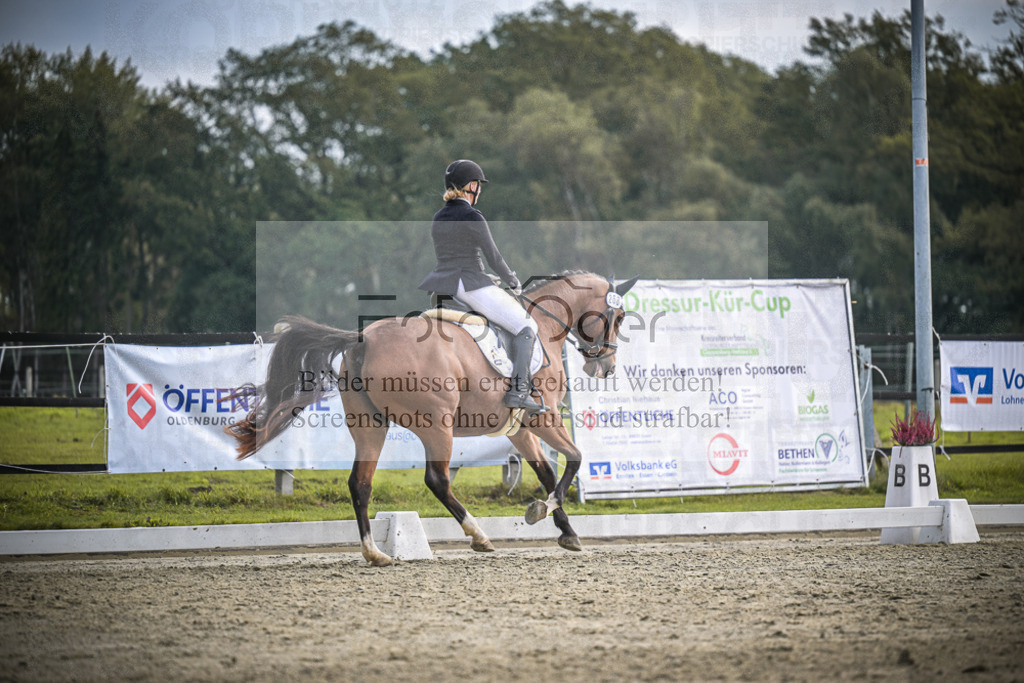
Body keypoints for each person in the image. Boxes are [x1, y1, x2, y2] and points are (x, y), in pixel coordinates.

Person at [418, 159, 545, 413]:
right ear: (471, 186)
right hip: (470, 284)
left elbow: (454, 255)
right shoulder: (472, 215)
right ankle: (519, 391)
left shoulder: (438, 216)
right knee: (528, 326)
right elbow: (494, 257)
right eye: (478, 185)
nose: (480, 191)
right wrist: (512, 280)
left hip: (444, 286)